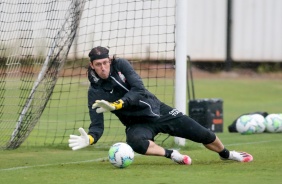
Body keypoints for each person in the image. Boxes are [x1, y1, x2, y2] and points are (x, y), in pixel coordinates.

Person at [68, 46, 253, 165]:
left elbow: (139, 89)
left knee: (205, 135)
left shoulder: (121, 65)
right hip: (137, 124)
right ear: (92, 65)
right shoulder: (95, 91)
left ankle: (227, 154)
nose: (103, 67)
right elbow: (97, 126)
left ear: (110, 61)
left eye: (105, 63)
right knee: (135, 142)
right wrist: (91, 139)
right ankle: (172, 154)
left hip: (160, 111)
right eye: (98, 64)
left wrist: (117, 105)